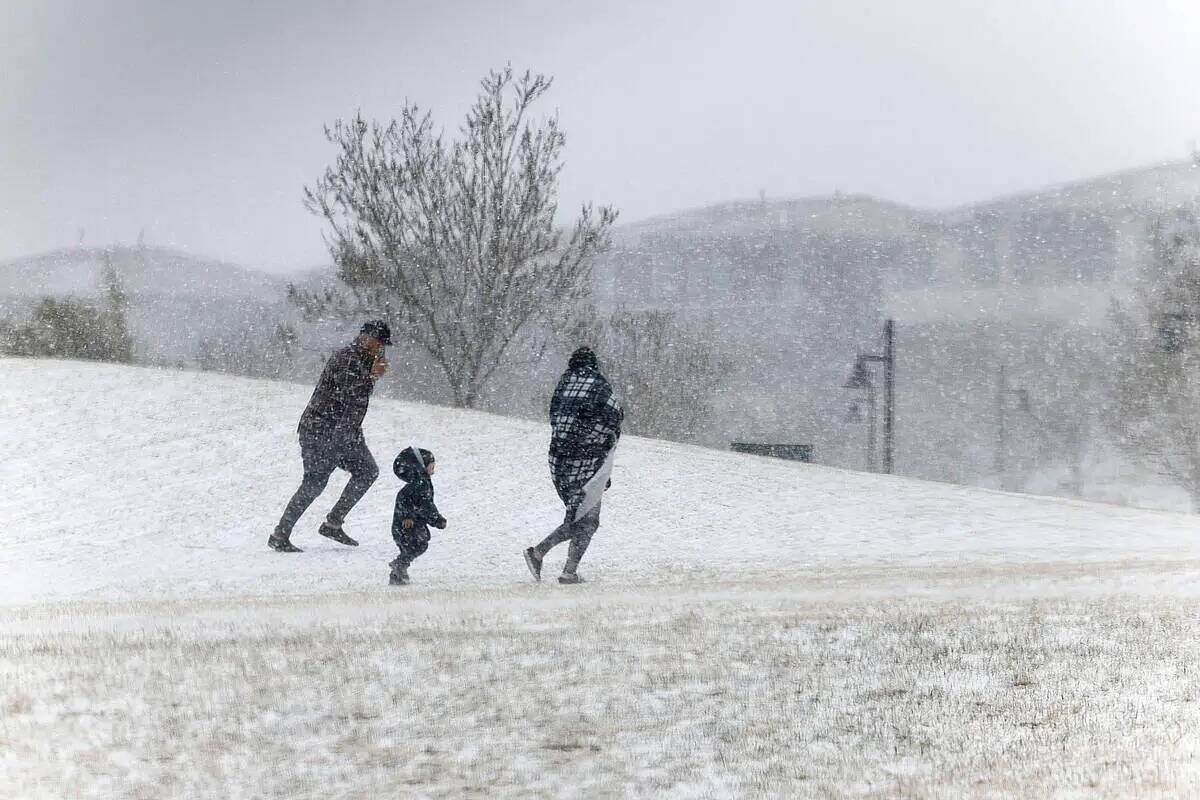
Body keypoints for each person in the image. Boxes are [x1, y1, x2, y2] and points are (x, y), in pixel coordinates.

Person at [268, 320, 391, 553]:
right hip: (321, 431)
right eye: (380, 343)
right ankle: (280, 533)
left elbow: (356, 398)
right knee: (314, 482)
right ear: (367, 338)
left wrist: (371, 374)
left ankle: (333, 523)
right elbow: (350, 394)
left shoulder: (362, 360)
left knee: (367, 472)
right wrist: (372, 376)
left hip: (345, 434)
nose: (381, 349)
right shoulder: (346, 359)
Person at [524, 347, 623, 584]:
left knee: (580, 516)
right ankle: (545, 557)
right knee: (586, 519)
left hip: (560, 461)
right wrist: (601, 445)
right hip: (588, 463)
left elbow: (555, 419)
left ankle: (561, 566)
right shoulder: (598, 385)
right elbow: (615, 416)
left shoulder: (563, 384)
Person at [388, 446, 447, 585]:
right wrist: (437, 520)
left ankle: (397, 575)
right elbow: (425, 505)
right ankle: (399, 566)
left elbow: (423, 505)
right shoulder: (420, 483)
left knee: (410, 548)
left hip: (406, 525)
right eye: (431, 465)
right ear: (422, 465)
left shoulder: (420, 481)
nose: (433, 468)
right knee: (419, 545)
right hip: (407, 525)